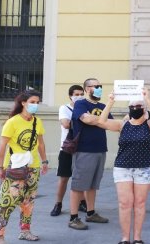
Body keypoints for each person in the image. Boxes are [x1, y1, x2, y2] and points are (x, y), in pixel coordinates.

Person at [98, 88, 150, 244]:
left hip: (144, 168)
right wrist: (111, 101)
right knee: (124, 203)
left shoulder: (149, 124)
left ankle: (138, 238)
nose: (135, 109)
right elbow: (101, 122)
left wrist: (147, 99)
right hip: (123, 168)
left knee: (140, 204)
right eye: (132, 106)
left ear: (144, 109)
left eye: (138, 106)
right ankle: (125, 238)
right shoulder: (122, 125)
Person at [0, 90, 49, 243]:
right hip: (14, 167)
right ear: (23, 103)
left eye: (37, 102)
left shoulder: (37, 121)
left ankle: (25, 231)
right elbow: (2, 146)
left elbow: (41, 144)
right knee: (7, 202)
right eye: (32, 102)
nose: (35, 105)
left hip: (33, 166)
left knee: (28, 201)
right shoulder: (12, 122)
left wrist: (44, 162)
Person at [68, 78, 112, 230]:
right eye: (95, 86)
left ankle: (91, 213)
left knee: (93, 184)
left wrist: (98, 119)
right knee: (79, 185)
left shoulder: (103, 106)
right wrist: (99, 120)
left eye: (100, 86)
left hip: (100, 149)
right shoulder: (81, 103)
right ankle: (74, 218)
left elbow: (108, 124)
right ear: (87, 89)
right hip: (84, 150)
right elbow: (86, 119)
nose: (99, 88)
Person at [51, 85, 87, 217]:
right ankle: (58, 204)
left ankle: (82, 202)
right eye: (76, 94)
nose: (79, 96)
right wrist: (83, 120)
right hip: (67, 147)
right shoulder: (64, 108)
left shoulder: (85, 108)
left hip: (82, 148)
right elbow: (65, 123)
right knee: (64, 177)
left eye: (81, 94)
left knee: (81, 178)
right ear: (70, 95)